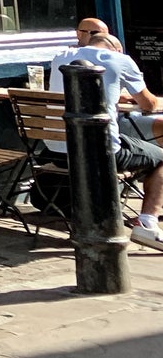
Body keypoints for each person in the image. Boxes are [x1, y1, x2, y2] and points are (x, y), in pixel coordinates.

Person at [50, 18, 163, 248]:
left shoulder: (60, 57)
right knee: (161, 157)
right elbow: (149, 104)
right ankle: (147, 223)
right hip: (100, 151)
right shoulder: (120, 59)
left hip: (55, 149)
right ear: (116, 48)